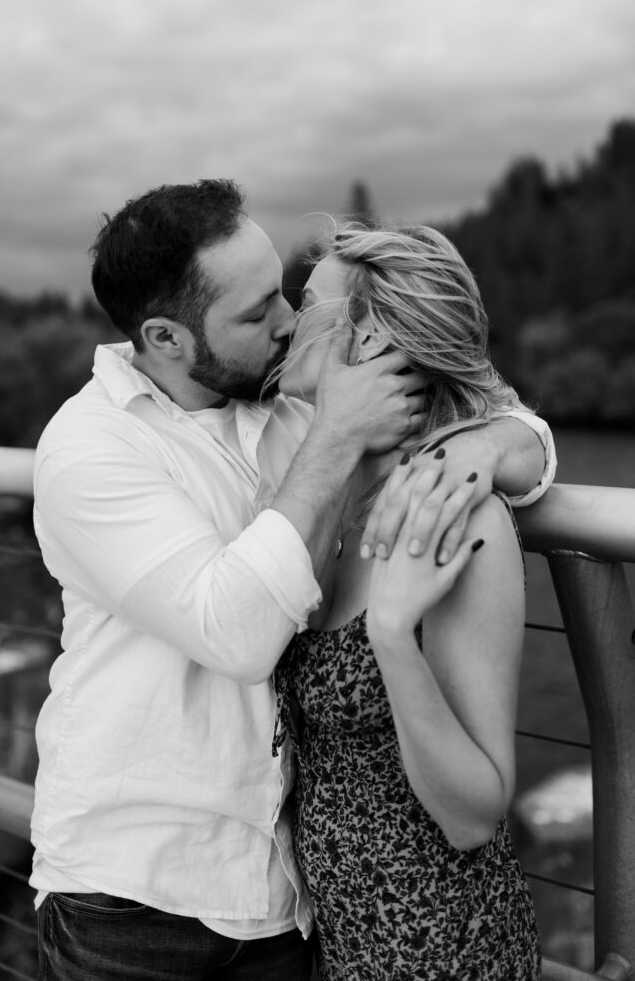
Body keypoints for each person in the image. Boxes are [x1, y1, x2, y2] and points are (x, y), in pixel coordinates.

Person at [30, 180, 554, 981]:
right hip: (134, 903)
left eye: (288, 296)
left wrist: (492, 446)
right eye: (255, 313)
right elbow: (239, 633)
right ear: (165, 337)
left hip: (297, 914)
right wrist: (341, 434)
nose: (280, 322)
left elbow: (503, 416)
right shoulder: (93, 447)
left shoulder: (299, 417)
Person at [273, 223, 544, 980]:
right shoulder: (331, 486)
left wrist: (392, 634)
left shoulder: (453, 515)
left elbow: (475, 814)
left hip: (442, 953)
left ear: (371, 343)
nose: (289, 324)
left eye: (309, 304)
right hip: (347, 948)